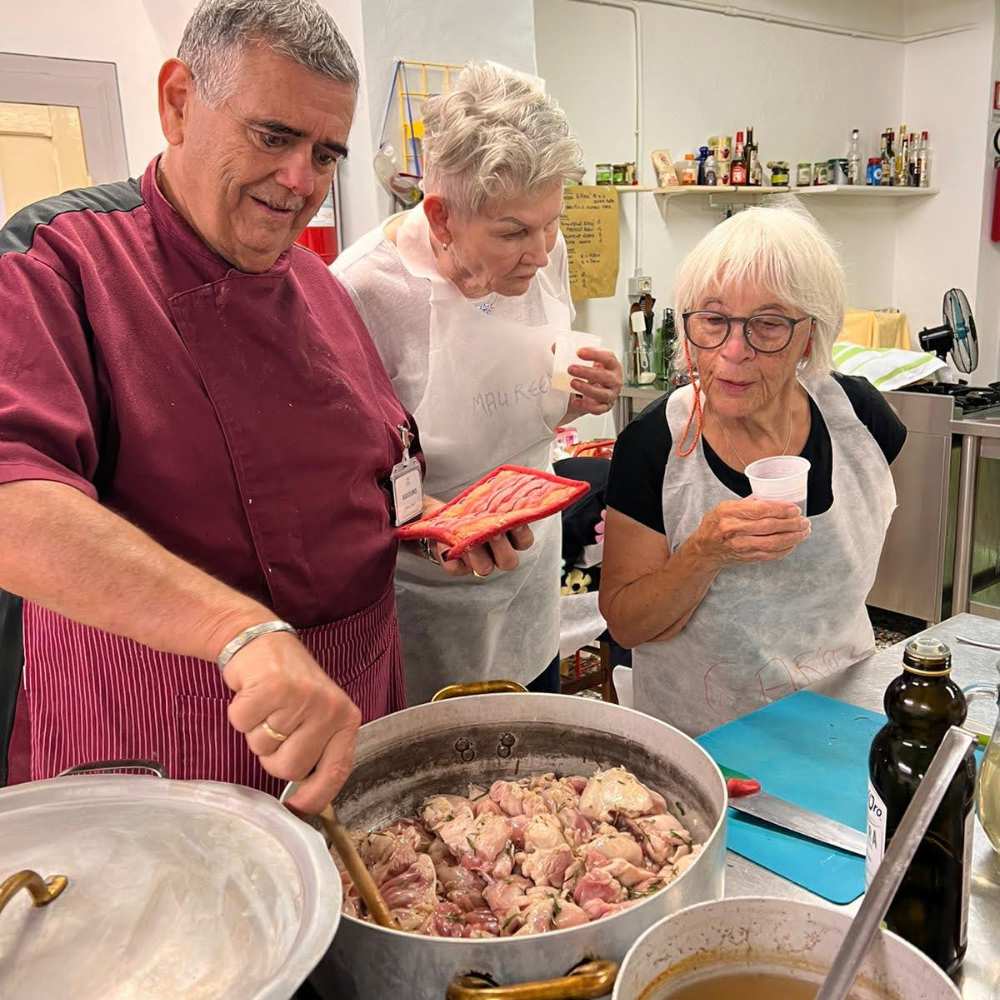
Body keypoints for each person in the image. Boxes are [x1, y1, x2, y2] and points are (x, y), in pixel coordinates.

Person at [0, 0, 407, 813]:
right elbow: (13, 501)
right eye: (273, 136)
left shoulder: (321, 286)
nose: (302, 182)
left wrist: (432, 535)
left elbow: (364, 475)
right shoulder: (61, 258)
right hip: (162, 735)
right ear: (179, 101)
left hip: (352, 709)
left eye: (326, 153)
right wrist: (243, 631)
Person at [333, 63, 623, 704]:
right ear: (440, 217)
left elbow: (525, 383)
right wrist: (437, 531)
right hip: (420, 601)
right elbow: (335, 484)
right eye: (514, 231)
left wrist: (577, 393)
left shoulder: (544, 257)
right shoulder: (361, 293)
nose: (542, 251)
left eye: (552, 222)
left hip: (529, 579)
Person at [600, 206, 905, 734]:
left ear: (809, 335)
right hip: (709, 739)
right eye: (713, 321)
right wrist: (704, 551)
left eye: (767, 325)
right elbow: (627, 624)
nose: (733, 352)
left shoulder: (860, 418)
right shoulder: (654, 444)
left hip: (842, 714)